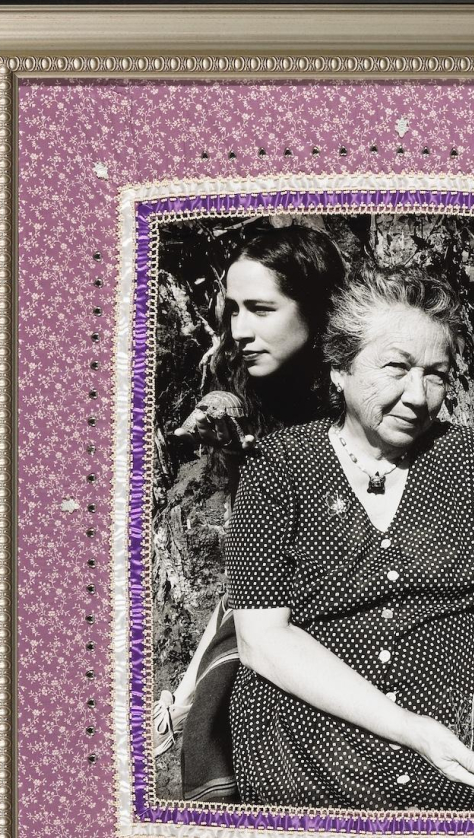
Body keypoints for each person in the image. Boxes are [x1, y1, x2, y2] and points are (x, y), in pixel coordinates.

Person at [226, 267, 474, 810]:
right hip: (307, 756)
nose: (418, 397)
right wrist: (411, 730)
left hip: (465, 752)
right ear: (340, 368)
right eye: (397, 368)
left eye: (437, 374)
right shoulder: (277, 468)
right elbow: (262, 639)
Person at [151, 225, 347, 803]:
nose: (238, 331)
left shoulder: (360, 407)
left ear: (318, 309)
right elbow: (252, 557)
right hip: (263, 607)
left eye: (261, 308)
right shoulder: (254, 403)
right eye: (233, 309)